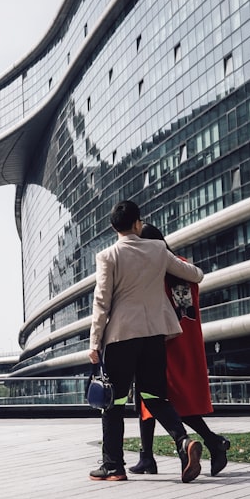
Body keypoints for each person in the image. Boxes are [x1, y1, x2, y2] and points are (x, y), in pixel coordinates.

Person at [88, 200, 206, 482]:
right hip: (154, 336)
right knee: (155, 397)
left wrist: (94, 343)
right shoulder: (157, 249)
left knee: (113, 402)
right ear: (138, 223)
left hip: (121, 337)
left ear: (113, 227)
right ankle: (183, 443)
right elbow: (196, 275)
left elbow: (101, 302)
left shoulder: (108, 256)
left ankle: (113, 466)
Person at [129, 223, 230, 477]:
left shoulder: (158, 269)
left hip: (165, 340)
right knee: (152, 398)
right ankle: (147, 457)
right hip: (188, 340)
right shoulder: (182, 265)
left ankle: (211, 441)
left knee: (162, 399)